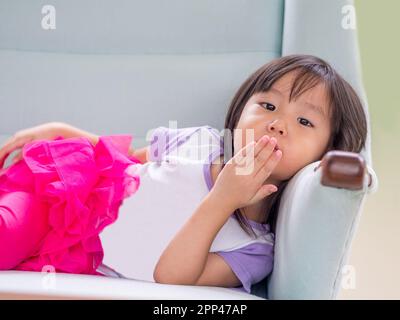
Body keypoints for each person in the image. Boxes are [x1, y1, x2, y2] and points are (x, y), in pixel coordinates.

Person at [0, 54, 367, 294]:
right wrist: (67, 131)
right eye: (267, 105)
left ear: (326, 151)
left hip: (80, 255)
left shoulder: (255, 249)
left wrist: (224, 198)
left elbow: (172, 278)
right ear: (239, 113)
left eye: (304, 121)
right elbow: (125, 160)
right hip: (64, 194)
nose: (277, 124)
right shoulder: (201, 143)